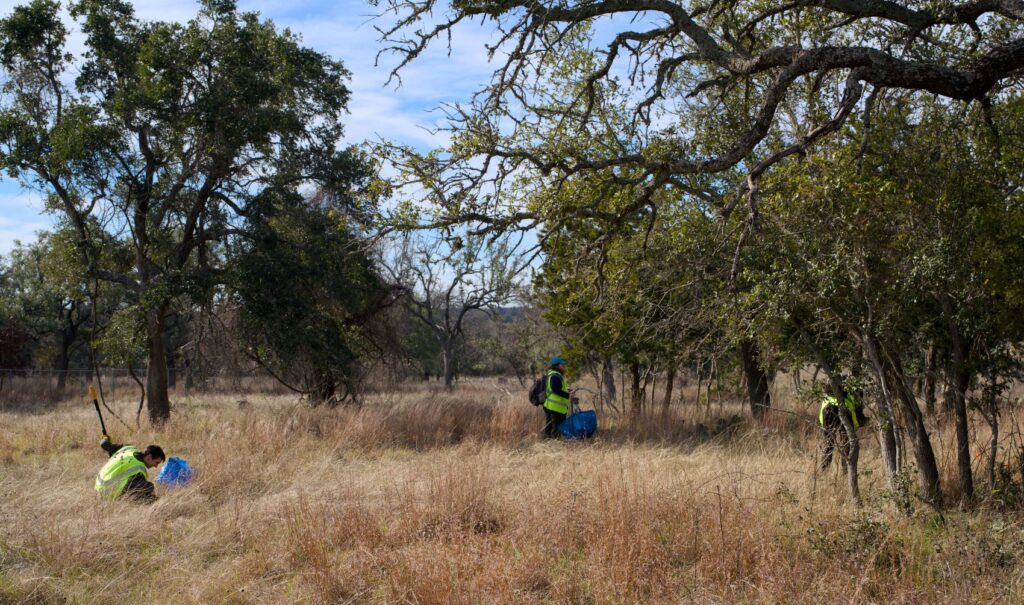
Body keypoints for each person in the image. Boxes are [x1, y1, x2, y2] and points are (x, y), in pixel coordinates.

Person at [95, 438, 165, 503]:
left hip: (97, 484)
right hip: (106, 492)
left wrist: (105, 438)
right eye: (156, 462)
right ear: (149, 457)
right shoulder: (139, 469)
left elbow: (104, 444)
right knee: (148, 487)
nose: (156, 466)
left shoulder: (129, 448)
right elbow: (142, 491)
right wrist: (156, 500)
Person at [818, 390, 869, 470]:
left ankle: (827, 470)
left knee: (829, 444)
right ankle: (845, 471)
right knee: (845, 444)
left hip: (829, 408)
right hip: (844, 409)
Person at [543, 357, 571, 439]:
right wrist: (568, 395)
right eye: (563, 365)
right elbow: (555, 390)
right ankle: (554, 446)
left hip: (551, 406)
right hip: (555, 408)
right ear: (557, 366)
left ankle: (546, 444)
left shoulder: (552, 374)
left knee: (550, 427)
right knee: (556, 429)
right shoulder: (555, 375)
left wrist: (566, 390)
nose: (564, 366)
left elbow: (556, 388)